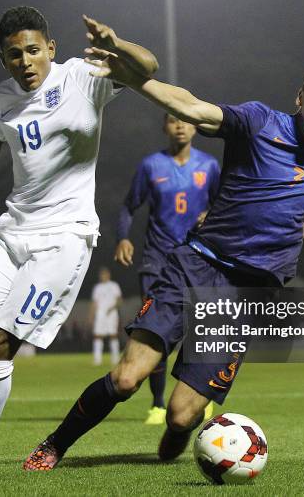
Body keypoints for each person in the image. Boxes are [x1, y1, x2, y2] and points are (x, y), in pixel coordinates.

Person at [23, 17, 304, 471]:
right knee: (126, 378)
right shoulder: (260, 121)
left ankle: (178, 432)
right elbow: (193, 107)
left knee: (184, 414)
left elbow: (270, 207)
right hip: (195, 266)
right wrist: (138, 81)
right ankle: (55, 444)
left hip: (245, 296)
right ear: (300, 98)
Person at [0, 7, 158, 474]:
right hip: (12, 230)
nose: (25, 62)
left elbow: (148, 68)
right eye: (14, 55)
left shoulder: (83, 76)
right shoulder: (3, 97)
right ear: (3, 60)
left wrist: (115, 44)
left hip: (65, 240)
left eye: (34, 50)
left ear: (51, 49)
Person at [115, 113, 220, 424]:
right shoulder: (151, 166)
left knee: (197, 332)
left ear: (196, 126)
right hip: (156, 262)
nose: (180, 126)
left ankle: (196, 395)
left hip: (197, 260)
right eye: (174, 120)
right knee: (154, 332)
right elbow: (127, 206)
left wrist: (210, 215)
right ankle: (158, 404)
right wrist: (122, 238)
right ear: (165, 126)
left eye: (186, 121)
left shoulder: (210, 166)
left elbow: (225, 204)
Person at [89, 267, 122, 366]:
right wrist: (91, 315)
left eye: (105, 274)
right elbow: (94, 303)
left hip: (112, 313)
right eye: (102, 274)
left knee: (113, 335)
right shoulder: (97, 287)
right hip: (100, 313)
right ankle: (97, 359)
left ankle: (115, 359)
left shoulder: (114, 286)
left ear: (108, 275)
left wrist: (112, 308)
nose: (103, 276)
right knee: (98, 335)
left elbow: (119, 300)